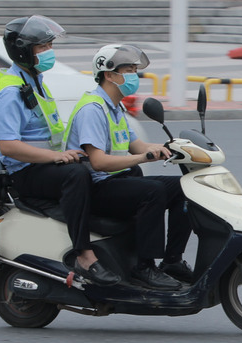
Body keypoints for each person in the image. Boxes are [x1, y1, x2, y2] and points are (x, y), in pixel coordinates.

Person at [0, 15, 120, 286]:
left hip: (43, 166)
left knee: (107, 169)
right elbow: (9, 146)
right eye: (42, 48)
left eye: (50, 46)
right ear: (24, 50)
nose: (49, 53)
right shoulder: (11, 92)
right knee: (76, 175)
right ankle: (84, 254)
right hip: (26, 173)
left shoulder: (33, 81)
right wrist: (57, 157)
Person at [65, 44, 193, 290]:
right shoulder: (92, 109)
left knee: (183, 187)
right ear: (109, 74)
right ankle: (144, 268)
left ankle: (172, 260)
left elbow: (137, 145)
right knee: (152, 192)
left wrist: (174, 147)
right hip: (95, 187)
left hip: (114, 181)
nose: (134, 76)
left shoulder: (114, 107)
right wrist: (145, 157)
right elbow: (99, 162)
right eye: (129, 70)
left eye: (135, 70)